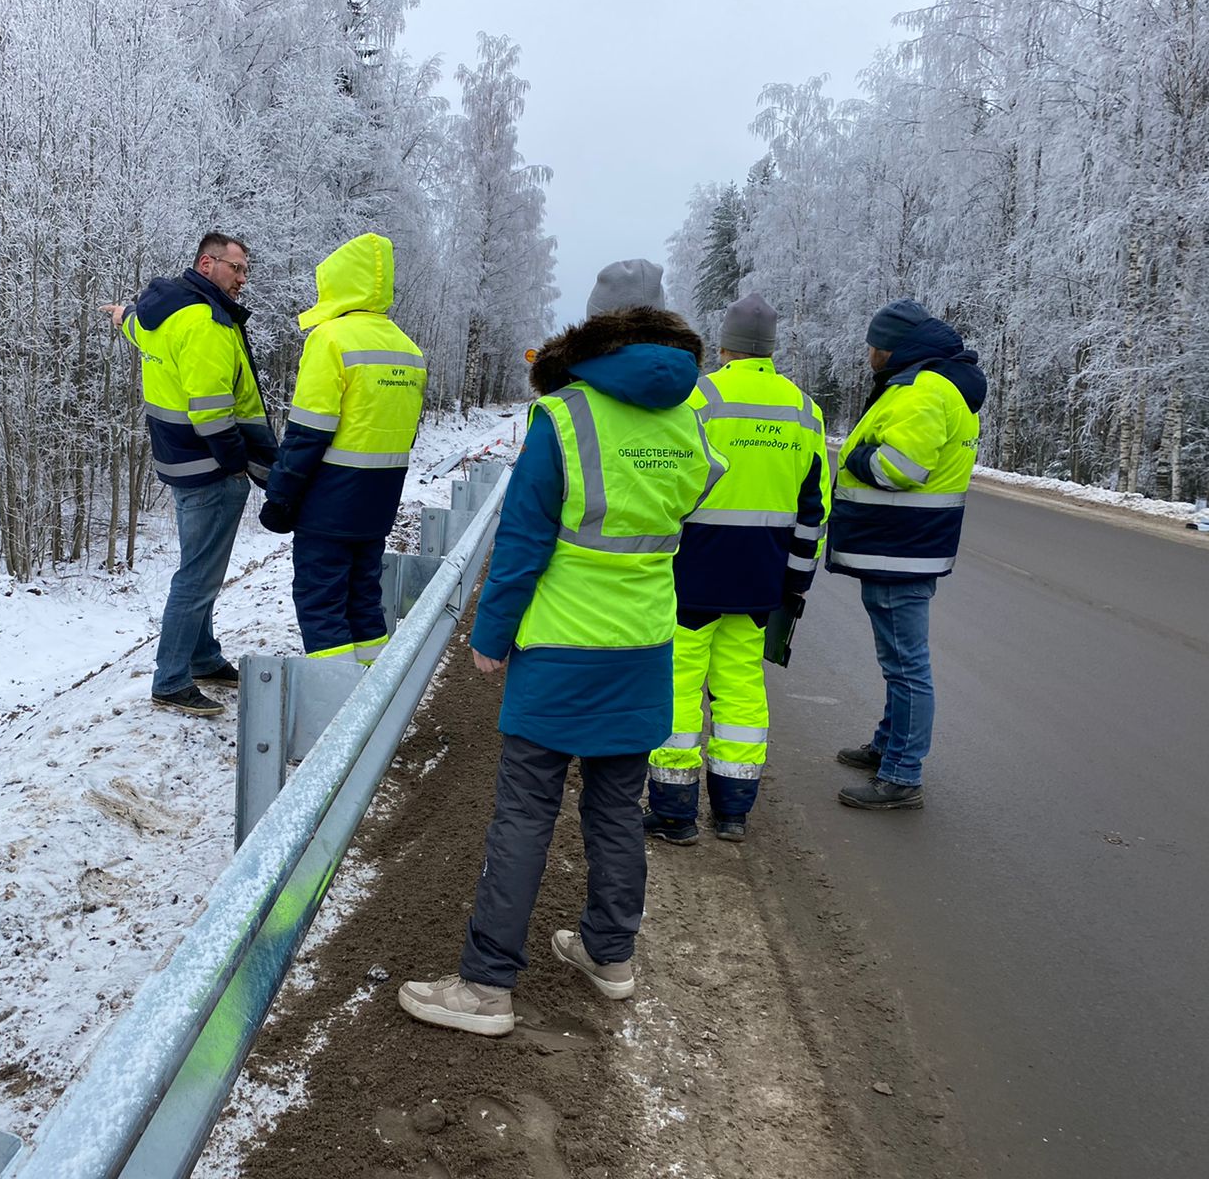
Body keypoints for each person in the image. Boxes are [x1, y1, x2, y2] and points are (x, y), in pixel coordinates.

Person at [398, 260, 723, 1036]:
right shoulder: (688, 418)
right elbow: (695, 498)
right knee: (616, 809)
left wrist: (491, 636)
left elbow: (523, 540)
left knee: (524, 815)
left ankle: (485, 988)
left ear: (594, 327)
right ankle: (610, 955)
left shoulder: (566, 415)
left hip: (562, 650)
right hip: (644, 646)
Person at [642, 294, 831, 845]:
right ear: (771, 349)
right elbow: (814, 509)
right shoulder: (804, 410)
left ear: (722, 345)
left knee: (678, 686)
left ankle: (675, 812)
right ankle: (732, 812)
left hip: (690, 575)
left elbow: (664, 484)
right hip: (760, 581)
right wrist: (795, 581)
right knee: (743, 689)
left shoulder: (697, 397)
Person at [100, 232, 277, 717]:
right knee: (198, 576)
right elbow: (212, 414)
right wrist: (237, 462)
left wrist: (119, 315)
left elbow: (133, 326)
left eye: (245, 270)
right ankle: (172, 678)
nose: (243, 279)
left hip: (177, 462)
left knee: (201, 567)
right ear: (207, 264)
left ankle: (201, 656)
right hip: (210, 469)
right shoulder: (204, 323)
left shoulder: (161, 312)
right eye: (236, 268)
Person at [827, 298, 987, 808]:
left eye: (875, 344)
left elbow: (897, 470)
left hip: (901, 548)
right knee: (899, 659)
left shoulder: (922, 392)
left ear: (895, 348)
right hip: (906, 546)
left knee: (906, 665)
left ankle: (901, 774)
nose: (869, 353)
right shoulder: (932, 387)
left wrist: (853, 454)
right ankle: (887, 747)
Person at [257, 233, 427, 663]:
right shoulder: (408, 350)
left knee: (321, 604)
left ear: (336, 282)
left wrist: (280, 495)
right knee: (364, 600)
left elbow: (308, 432)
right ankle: (374, 702)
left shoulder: (330, 339)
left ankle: (335, 713)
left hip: (329, 503)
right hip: (379, 502)